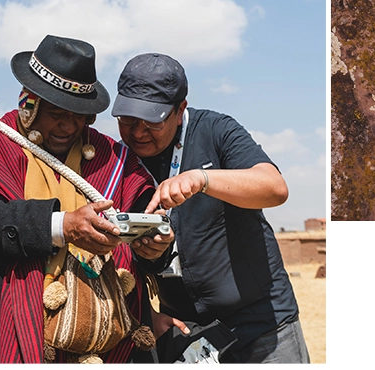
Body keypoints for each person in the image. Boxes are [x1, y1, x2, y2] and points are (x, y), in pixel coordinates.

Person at [0, 35, 170, 363]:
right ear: (28, 103)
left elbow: (143, 215)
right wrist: (62, 225)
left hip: (111, 344)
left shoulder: (113, 158)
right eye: (55, 113)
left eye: (79, 115)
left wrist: (155, 243)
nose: (68, 125)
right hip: (13, 337)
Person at [113, 53, 308, 364]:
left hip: (264, 326)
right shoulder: (118, 163)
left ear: (180, 110)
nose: (137, 132)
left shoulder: (216, 130)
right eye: (127, 120)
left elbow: (274, 188)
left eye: (151, 120)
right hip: (188, 334)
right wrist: (147, 310)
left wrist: (203, 179)